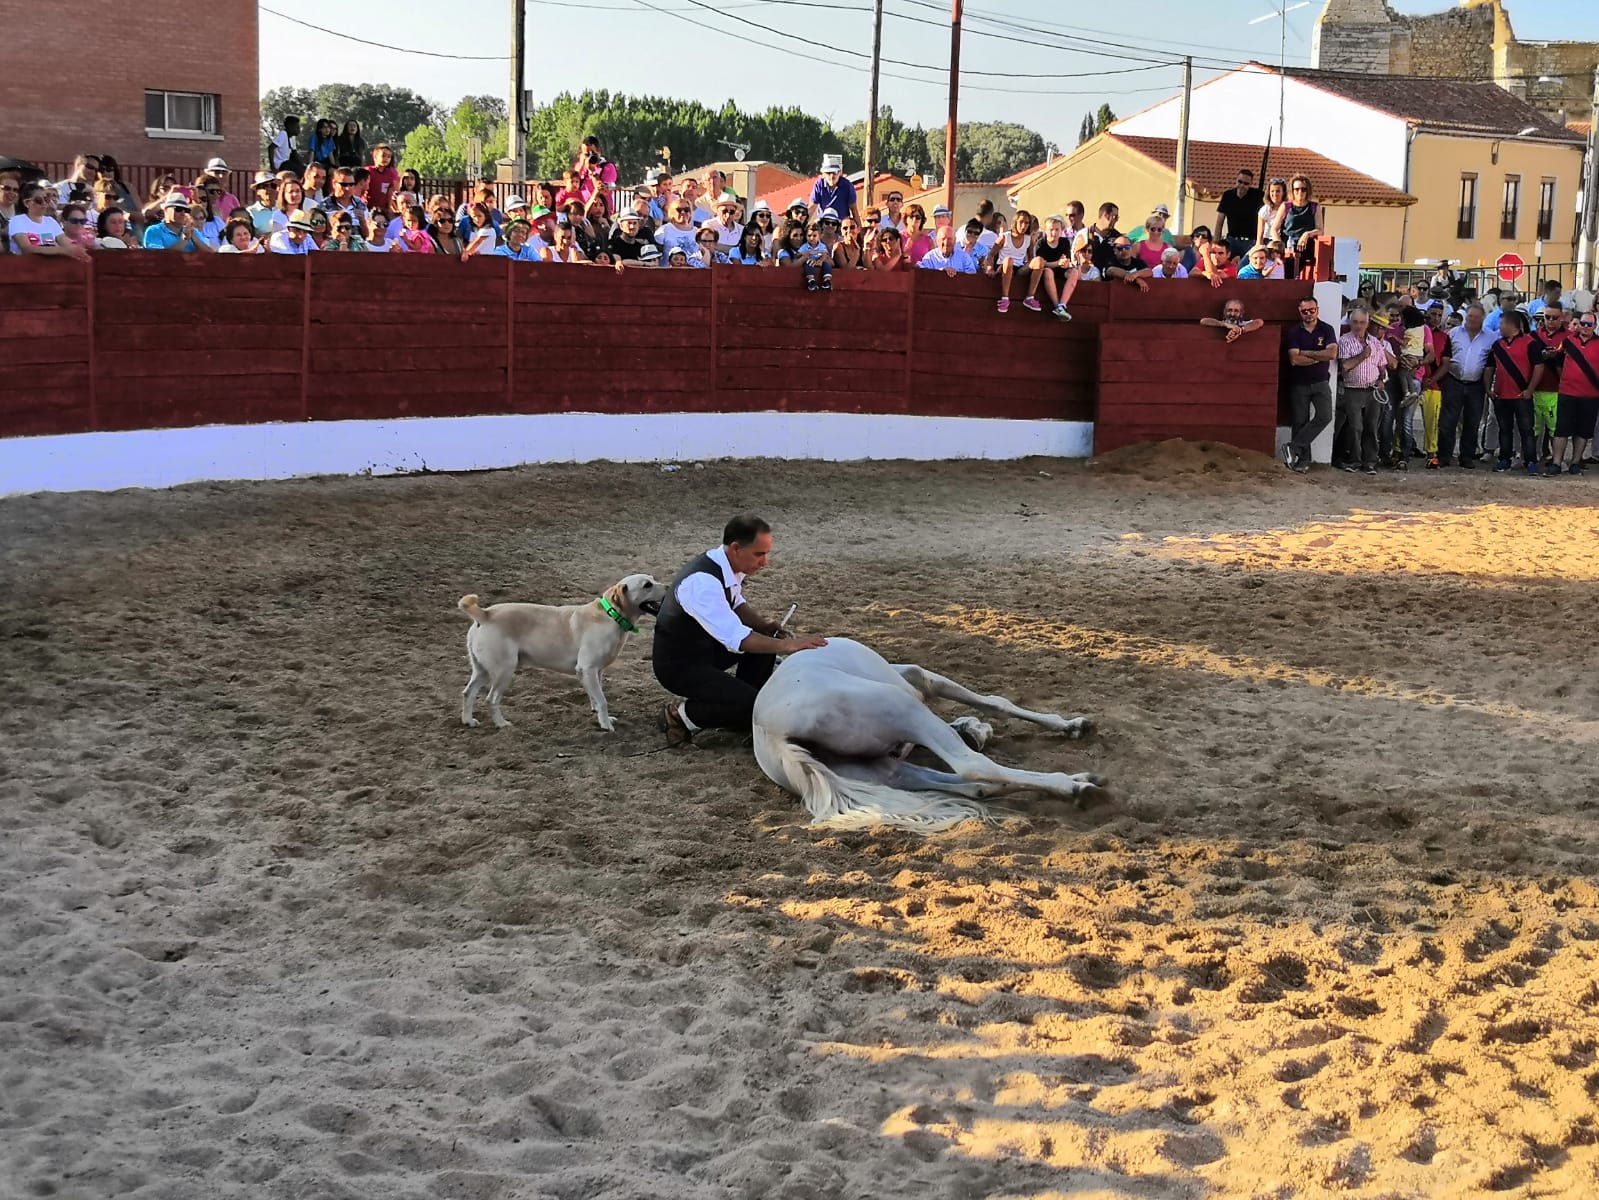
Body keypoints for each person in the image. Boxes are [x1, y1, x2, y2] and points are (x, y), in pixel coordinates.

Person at [653, 514, 826, 743]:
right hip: (680, 665)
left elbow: (736, 602)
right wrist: (789, 645)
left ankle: (738, 712)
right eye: (759, 554)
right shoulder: (702, 584)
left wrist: (762, 625)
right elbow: (738, 638)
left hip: (706, 648)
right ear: (736, 548)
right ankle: (680, 717)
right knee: (751, 703)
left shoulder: (727, 563)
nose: (765, 562)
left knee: (764, 642)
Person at [1427, 302, 1495, 469]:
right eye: (1470, 316)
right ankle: (1444, 456)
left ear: (1482, 319)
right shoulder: (1454, 333)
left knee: (1472, 422)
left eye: (1476, 317)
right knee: (1447, 421)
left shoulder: (1491, 337)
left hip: (1476, 385)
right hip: (1453, 380)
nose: (1472, 320)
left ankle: (1467, 457)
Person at [1337, 306, 1397, 475]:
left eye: (1362, 322)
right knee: (1355, 427)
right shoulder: (1345, 340)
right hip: (1353, 389)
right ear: (1350, 322)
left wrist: (1382, 380)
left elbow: (1382, 367)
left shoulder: (1376, 343)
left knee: (1371, 426)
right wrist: (1363, 355)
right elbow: (1346, 366)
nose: (1358, 326)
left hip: (1372, 389)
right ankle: (1355, 460)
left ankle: (1369, 461)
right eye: (1355, 322)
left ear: (1367, 323)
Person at [1484, 310, 1544, 473]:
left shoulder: (1530, 343)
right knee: (1504, 429)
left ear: (1511, 325)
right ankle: (1504, 459)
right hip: (1501, 395)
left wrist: (1530, 389)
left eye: (1502, 323)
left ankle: (1530, 461)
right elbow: (1489, 367)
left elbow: (1539, 367)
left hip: (1521, 394)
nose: (1500, 327)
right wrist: (1488, 388)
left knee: (1526, 430)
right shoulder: (1497, 345)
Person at [1283, 297, 1338, 472]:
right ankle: (1302, 460)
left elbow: (1332, 354)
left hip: (1321, 381)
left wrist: (1307, 353)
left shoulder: (1326, 328)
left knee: (1325, 416)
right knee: (1300, 421)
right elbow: (1294, 359)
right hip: (1299, 382)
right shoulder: (1294, 332)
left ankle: (1294, 447)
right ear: (1300, 312)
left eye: (1311, 310)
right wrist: (1318, 356)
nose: (1308, 314)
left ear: (1317, 310)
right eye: (1305, 311)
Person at [1546, 310, 1599, 476]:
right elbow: (1558, 361)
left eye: (1589, 324)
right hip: (1567, 393)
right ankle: (1556, 462)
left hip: (1590, 395)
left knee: (1583, 431)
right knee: (1561, 429)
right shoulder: (1567, 341)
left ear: (1595, 326)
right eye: (1583, 323)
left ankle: (1575, 462)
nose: (1585, 327)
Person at [1530, 305, 1567, 471]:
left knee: (1556, 428)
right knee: (1534, 428)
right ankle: (1532, 458)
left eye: (1555, 318)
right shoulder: (1533, 336)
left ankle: (1557, 460)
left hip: (1557, 390)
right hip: (1535, 389)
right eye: (1547, 317)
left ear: (1562, 318)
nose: (1550, 321)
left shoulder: (1569, 338)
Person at [1023, 214, 1073, 318]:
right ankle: (1056, 305)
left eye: (1057, 230)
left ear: (1061, 230)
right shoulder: (1041, 243)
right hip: (1047, 271)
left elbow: (1066, 259)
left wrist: (1064, 263)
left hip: (1061, 270)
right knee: (1048, 272)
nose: (1054, 233)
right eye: (1051, 229)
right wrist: (1057, 263)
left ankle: (1062, 304)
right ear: (1046, 230)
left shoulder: (1065, 242)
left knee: (1075, 272)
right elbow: (1042, 263)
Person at [1280, 176, 1325, 279]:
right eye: (1297, 189)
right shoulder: (1286, 206)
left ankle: (1292, 282)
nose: (1300, 192)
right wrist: (1279, 244)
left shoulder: (1314, 207)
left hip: (1305, 244)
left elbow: (1320, 230)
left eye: (1303, 189)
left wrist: (1307, 234)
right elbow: (1274, 228)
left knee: (1300, 255)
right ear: (1292, 190)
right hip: (1287, 242)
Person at [993, 209, 1035, 313]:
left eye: (1027, 223)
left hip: (1019, 268)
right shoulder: (1004, 237)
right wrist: (989, 268)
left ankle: (1030, 297)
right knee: (1009, 260)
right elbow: (991, 255)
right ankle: (1005, 298)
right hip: (1003, 267)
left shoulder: (1029, 239)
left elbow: (1031, 259)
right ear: (1015, 222)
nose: (1024, 226)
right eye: (1021, 222)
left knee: (1038, 261)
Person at [1215, 167, 1264, 257]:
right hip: (1232, 240)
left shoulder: (1258, 196)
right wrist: (1216, 243)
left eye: (1246, 183)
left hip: (1250, 241)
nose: (1242, 185)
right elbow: (1219, 222)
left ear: (1251, 184)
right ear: (1236, 180)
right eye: (1240, 182)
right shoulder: (1228, 195)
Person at [141, 192, 213, 252]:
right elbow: (160, 258)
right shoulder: (154, 230)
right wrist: (185, 240)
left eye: (185, 210)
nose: (182, 213)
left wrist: (194, 238)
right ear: (165, 210)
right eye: (178, 209)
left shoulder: (193, 232)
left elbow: (211, 256)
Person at [808, 154, 858, 224]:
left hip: (841, 225)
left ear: (839, 173)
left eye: (834, 172)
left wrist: (859, 230)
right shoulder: (819, 184)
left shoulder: (847, 186)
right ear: (823, 174)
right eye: (828, 173)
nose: (832, 176)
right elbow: (812, 208)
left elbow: (854, 209)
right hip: (824, 224)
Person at [1200, 299, 1264, 342]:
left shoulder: (1244, 324)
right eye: (1230, 310)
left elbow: (1259, 322)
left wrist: (1240, 330)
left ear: (1241, 313)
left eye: (1236, 311)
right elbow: (1203, 321)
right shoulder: (1221, 323)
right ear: (1225, 312)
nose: (1232, 314)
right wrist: (1229, 325)